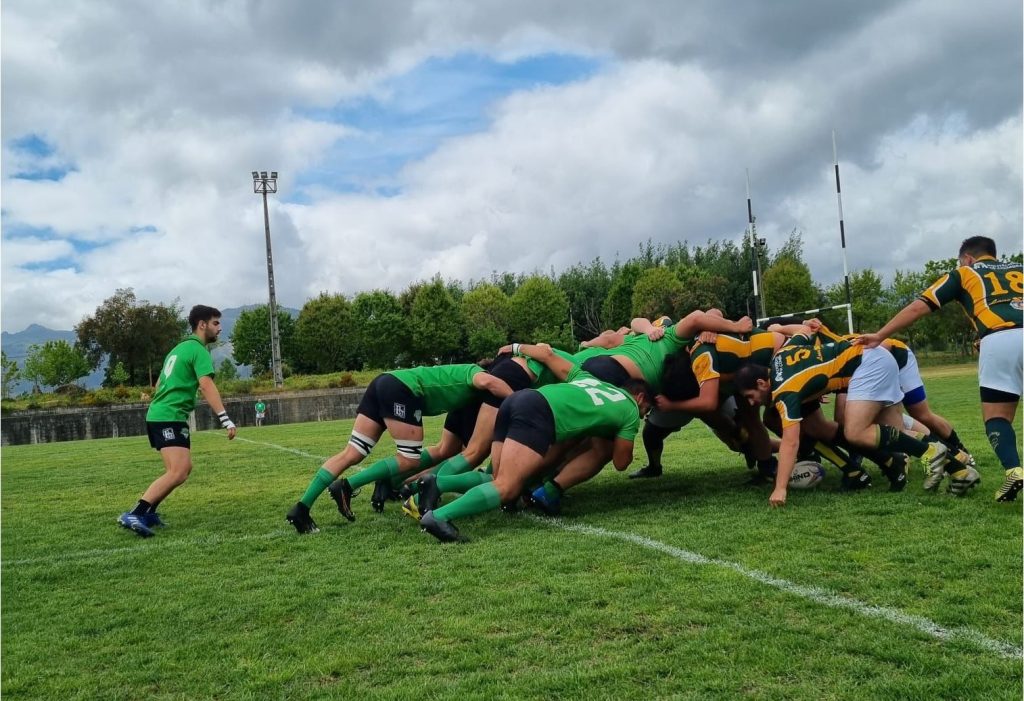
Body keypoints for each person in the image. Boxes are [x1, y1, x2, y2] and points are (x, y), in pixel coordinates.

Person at [420, 343, 653, 542]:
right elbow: (621, 463)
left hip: (518, 399)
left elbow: (549, 355)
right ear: (640, 398)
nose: (644, 415)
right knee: (506, 486)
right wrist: (623, 433)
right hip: (539, 414)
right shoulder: (630, 410)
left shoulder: (589, 379)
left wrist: (516, 348)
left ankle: (438, 483)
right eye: (647, 410)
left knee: (497, 479)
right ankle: (439, 517)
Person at [856, 236, 1023, 502]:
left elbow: (918, 307)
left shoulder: (964, 273)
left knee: (998, 418)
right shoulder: (1019, 269)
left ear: (967, 258)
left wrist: (880, 334)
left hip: (999, 339)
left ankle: (1014, 470)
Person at [735, 326, 976, 507]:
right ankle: (959, 470)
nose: (751, 403)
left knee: (855, 431)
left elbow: (791, 442)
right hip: (876, 358)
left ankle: (931, 452)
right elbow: (805, 329)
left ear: (761, 383)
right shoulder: (781, 355)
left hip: (867, 364)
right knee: (895, 436)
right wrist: (779, 329)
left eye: (750, 395)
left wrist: (780, 488)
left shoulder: (784, 391)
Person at [285, 362, 513, 533]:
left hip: (384, 382)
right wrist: (518, 398)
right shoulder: (475, 371)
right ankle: (346, 486)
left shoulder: (460, 385)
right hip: (403, 390)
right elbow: (488, 381)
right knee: (409, 459)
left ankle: (302, 508)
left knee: (352, 453)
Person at [117, 305, 237, 537]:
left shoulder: (177, 349)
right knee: (179, 470)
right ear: (202, 325)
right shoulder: (198, 350)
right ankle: (135, 513)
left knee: (181, 468)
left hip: (164, 414)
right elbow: (206, 385)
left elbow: (160, 384)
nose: (219, 328)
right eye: (215, 323)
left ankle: (149, 512)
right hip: (168, 416)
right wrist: (225, 419)